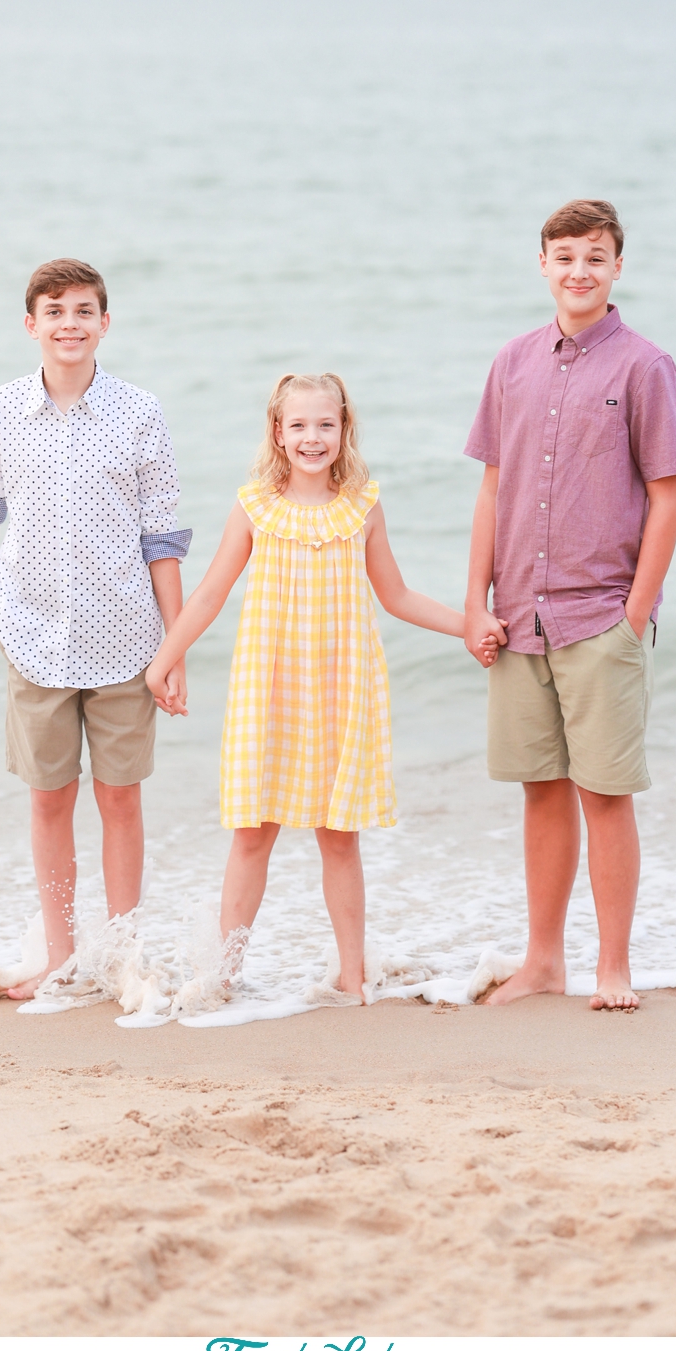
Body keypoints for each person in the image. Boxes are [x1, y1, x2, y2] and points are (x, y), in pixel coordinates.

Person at [146, 372, 502, 1005]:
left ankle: (352, 974)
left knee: (340, 838)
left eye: (325, 425)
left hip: (342, 690)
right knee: (253, 833)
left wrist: (467, 626)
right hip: (270, 688)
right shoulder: (256, 504)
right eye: (299, 425)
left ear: (344, 430)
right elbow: (209, 594)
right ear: (278, 434)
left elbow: (397, 596)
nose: (313, 437)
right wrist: (165, 659)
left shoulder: (361, 507)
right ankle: (223, 974)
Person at [463, 200, 676, 1012]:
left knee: (605, 793)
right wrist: (473, 603)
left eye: (595, 256)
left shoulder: (645, 366)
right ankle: (543, 961)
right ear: (543, 263)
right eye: (565, 256)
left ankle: (613, 968)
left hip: (601, 618)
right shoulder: (512, 362)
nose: (579, 270)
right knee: (541, 789)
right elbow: (493, 487)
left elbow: (667, 498)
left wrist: (634, 614)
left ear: (617, 267)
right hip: (518, 616)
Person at [0, 257, 191, 1001]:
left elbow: (162, 537)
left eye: (84, 309)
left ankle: (123, 955)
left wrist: (174, 642)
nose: (70, 323)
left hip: (128, 638)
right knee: (48, 797)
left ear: (104, 322)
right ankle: (60, 956)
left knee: (121, 797)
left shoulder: (139, 411)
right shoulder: (0, 410)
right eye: (55, 310)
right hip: (32, 636)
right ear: (31, 324)